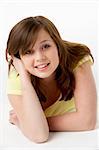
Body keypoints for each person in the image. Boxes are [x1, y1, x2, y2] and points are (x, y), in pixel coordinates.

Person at [6, 16, 97, 143]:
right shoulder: (17, 76)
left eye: (46, 46)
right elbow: (39, 136)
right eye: (28, 52)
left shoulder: (76, 57)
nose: (39, 57)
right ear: (18, 58)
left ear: (57, 44)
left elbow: (88, 121)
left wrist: (26, 123)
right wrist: (25, 79)